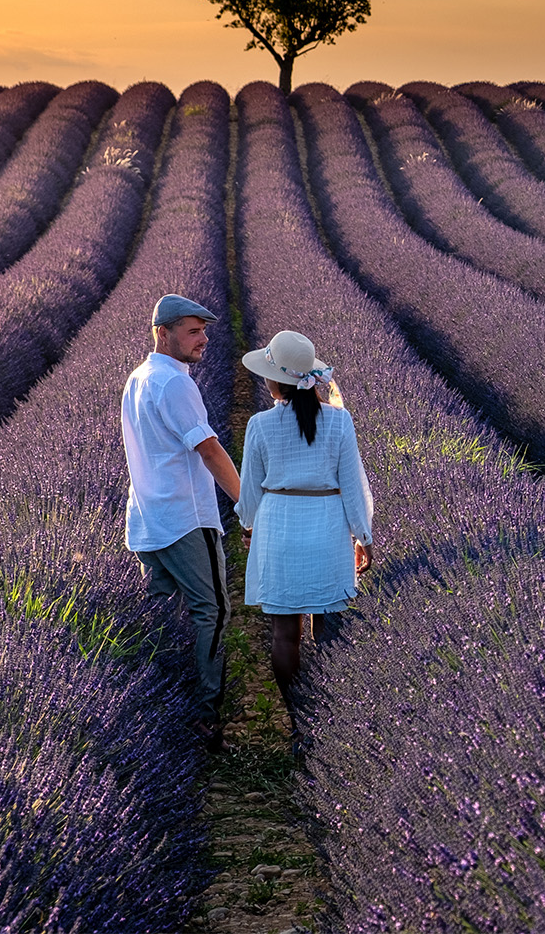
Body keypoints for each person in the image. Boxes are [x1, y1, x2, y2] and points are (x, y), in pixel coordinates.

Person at [121, 294, 241, 753]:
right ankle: (205, 720)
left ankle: (158, 715)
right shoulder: (173, 384)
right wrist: (247, 504)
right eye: (193, 331)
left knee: (162, 619)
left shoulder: (138, 379)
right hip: (185, 520)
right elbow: (208, 449)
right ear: (162, 333)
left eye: (204, 331)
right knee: (212, 611)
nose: (204, 339)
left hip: (148, 520)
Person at [236, 330, 374, 719]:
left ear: (275, 382)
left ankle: (298, 718)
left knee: (285, 635)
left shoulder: (259, 425)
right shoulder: (339, 421)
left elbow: (249, 494)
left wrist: (249, 529)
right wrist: (363, 537)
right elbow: (352, 484)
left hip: (278, 530)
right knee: (328, 631)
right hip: (328, 531)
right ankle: (328, 718)